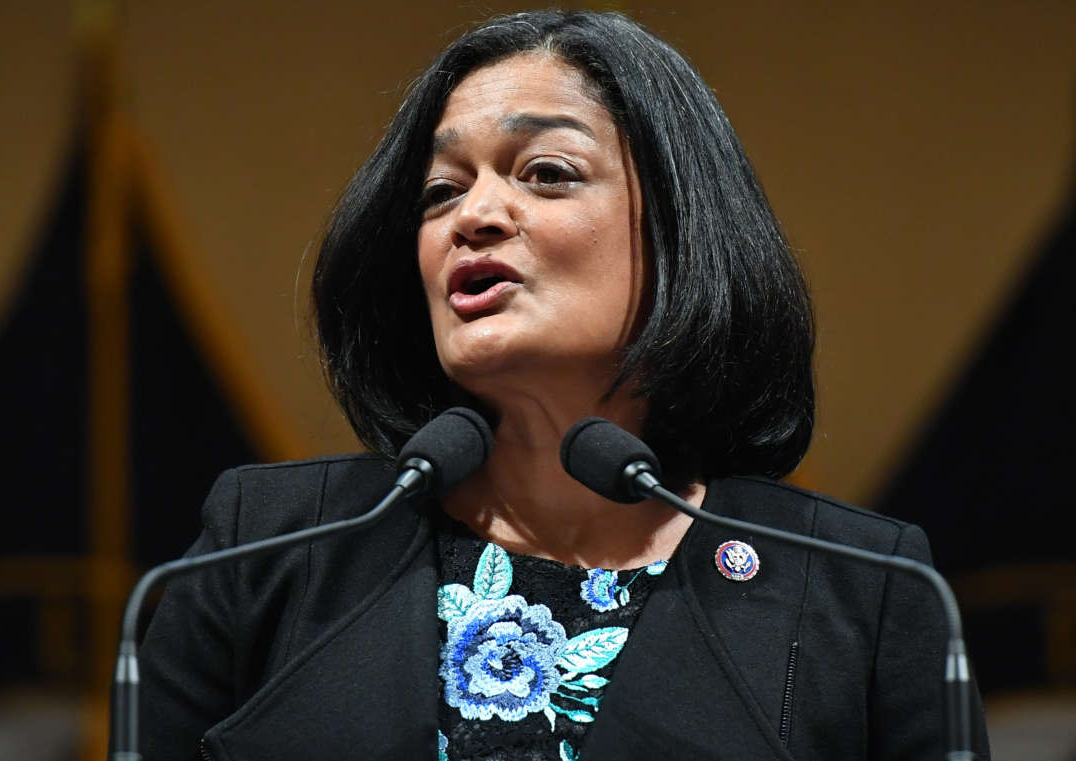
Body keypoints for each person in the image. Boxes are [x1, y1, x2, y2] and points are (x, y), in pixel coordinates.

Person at [139, 10, 989, 761]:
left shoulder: (862, 589)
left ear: (679, 231)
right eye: (440, 190)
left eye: (545, 172)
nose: (473, 214)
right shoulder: (271, 548)